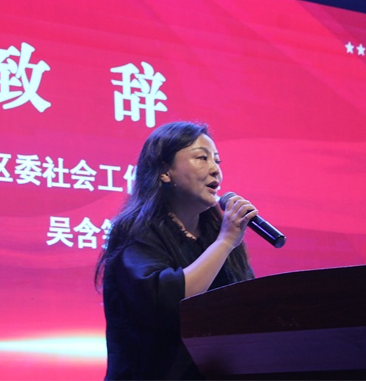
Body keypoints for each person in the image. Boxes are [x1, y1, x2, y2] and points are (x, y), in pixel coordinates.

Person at [95, 121, 257, 380]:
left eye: (217, 160)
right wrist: (225, 242)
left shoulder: (219, 234)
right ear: (164, 171)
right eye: (202, 158)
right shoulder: (136, 231)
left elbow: (247, 306)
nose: (215, 169)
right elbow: (170, 303)